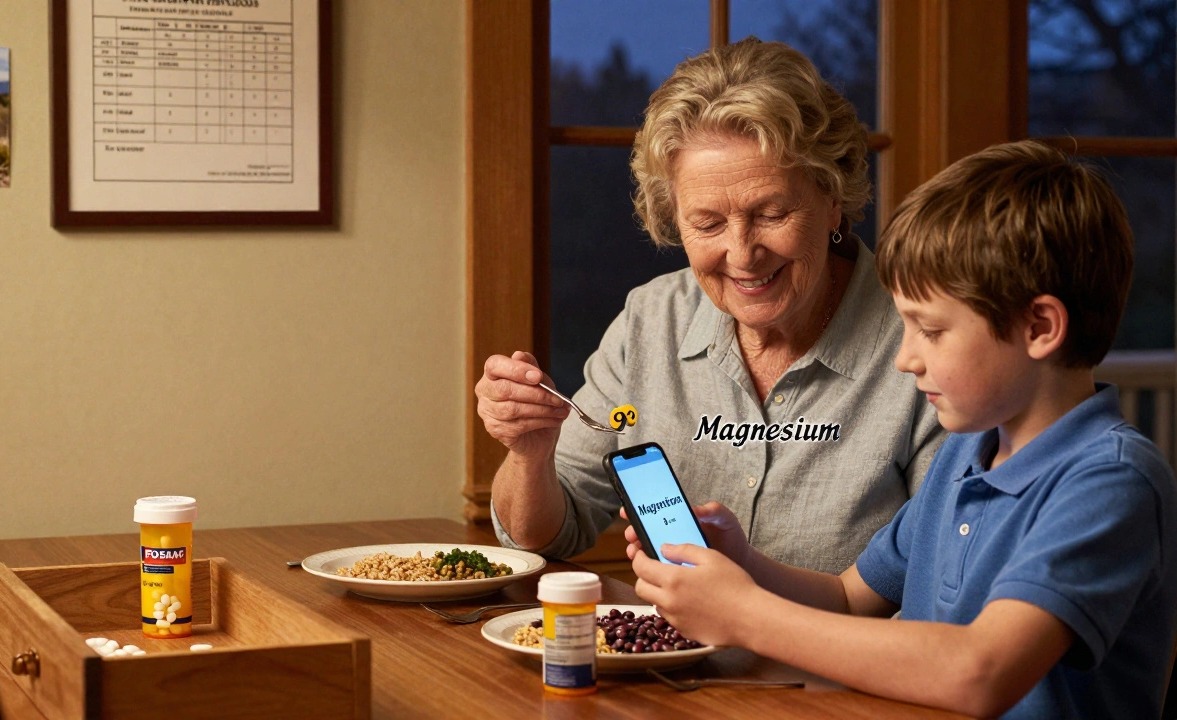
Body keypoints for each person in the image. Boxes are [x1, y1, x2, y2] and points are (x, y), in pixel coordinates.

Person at [627, 140, 1177, 718]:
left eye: (931, 331)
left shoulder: (1109, 482)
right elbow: (847, 597)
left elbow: (980, 671)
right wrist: (744, 566)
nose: (905, 358)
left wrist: (744, 615)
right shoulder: (968, 452)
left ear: (1039, 326)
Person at [476, 37, 944, 574]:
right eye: (708, 223)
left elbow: (944, 583)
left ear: (833, 198)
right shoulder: (651, 320)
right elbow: (544, 535)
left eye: (771, 213)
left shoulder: (924, 335)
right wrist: (529, 455)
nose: (742, 254)